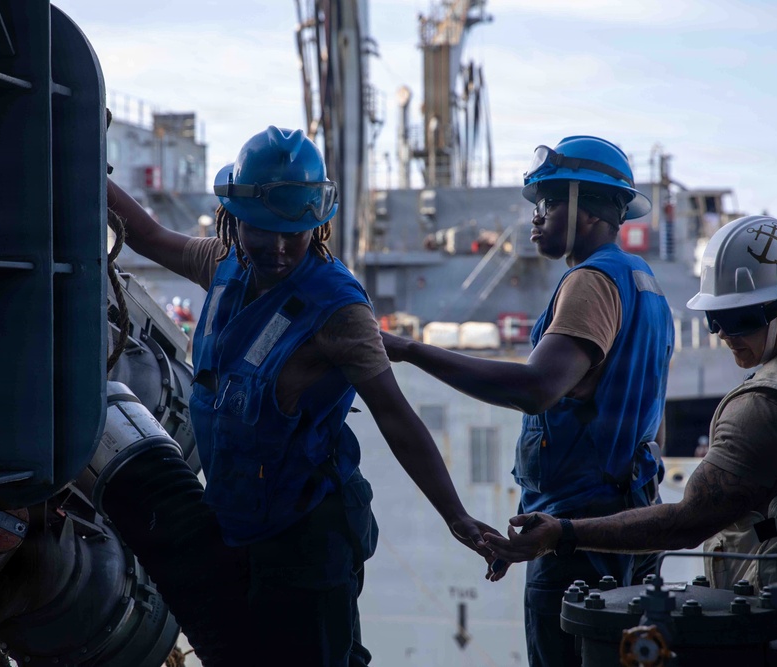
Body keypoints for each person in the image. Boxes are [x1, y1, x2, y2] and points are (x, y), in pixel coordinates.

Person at [106, 125, 497, 666]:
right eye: (263, 230)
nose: (280, 248)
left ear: (319, 223)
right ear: (233, 219)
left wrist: (457, 517)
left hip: (308, 536)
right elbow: (148, 236)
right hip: (241, 520)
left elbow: (395, 416)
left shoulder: (338, 308)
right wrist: (84, 164)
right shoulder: (224, 264)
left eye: (296, 232)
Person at [485, 215, 777, 665]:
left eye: (741, 320)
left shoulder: (768, 404)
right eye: (715, 319)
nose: (726, 336)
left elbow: (687, 522)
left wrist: (563, 533)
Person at [382, 135, 674, 667]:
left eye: (550, 202)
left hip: (576, 542)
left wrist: (410, 350)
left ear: (588, 209)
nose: (535, 216)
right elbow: (654, 423)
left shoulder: (590, 283)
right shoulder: (645, 285)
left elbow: (537, 389)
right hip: (628, 525)